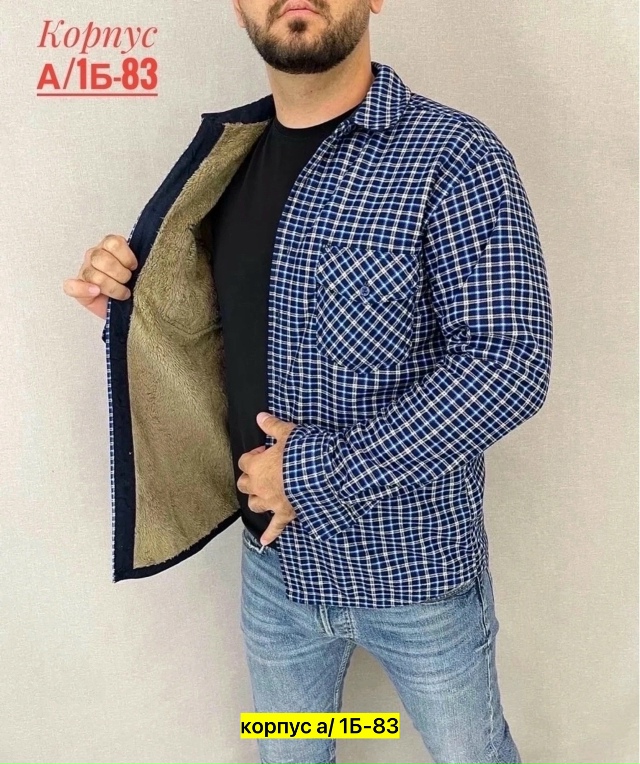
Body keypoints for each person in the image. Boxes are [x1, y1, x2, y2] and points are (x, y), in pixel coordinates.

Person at [63, 1, 553, 762]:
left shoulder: (455, 155)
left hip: (416, 575)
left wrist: (311, 474)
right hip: (275, 571)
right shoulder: (225, 163)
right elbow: (226, 336)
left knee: (474, 756)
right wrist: (136, 308)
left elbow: (509, 363)